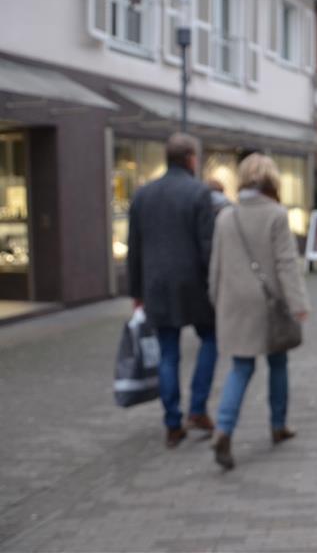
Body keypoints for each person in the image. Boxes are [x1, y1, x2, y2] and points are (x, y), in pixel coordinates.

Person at [208, 153, 310, 470]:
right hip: (269, 304)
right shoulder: (276, 215)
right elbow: (286, 263)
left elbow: (216, 266)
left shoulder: (225, 217)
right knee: (278, 363)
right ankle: (278, 425)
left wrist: (215, 298)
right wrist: (298, 303)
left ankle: (224, 429)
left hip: (234, 303)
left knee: (241, 368)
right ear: (271, 180)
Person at [127, 133, 217, 448]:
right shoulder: (199, 193)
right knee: (211, 338)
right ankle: (198, 408)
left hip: (156, 286)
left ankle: (172, 423)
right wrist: (216, 284)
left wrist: (136, 292)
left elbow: (134, 248)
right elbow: (208, 247)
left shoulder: (143, 195)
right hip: (194, 285)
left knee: (168, 353)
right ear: (191, 158)